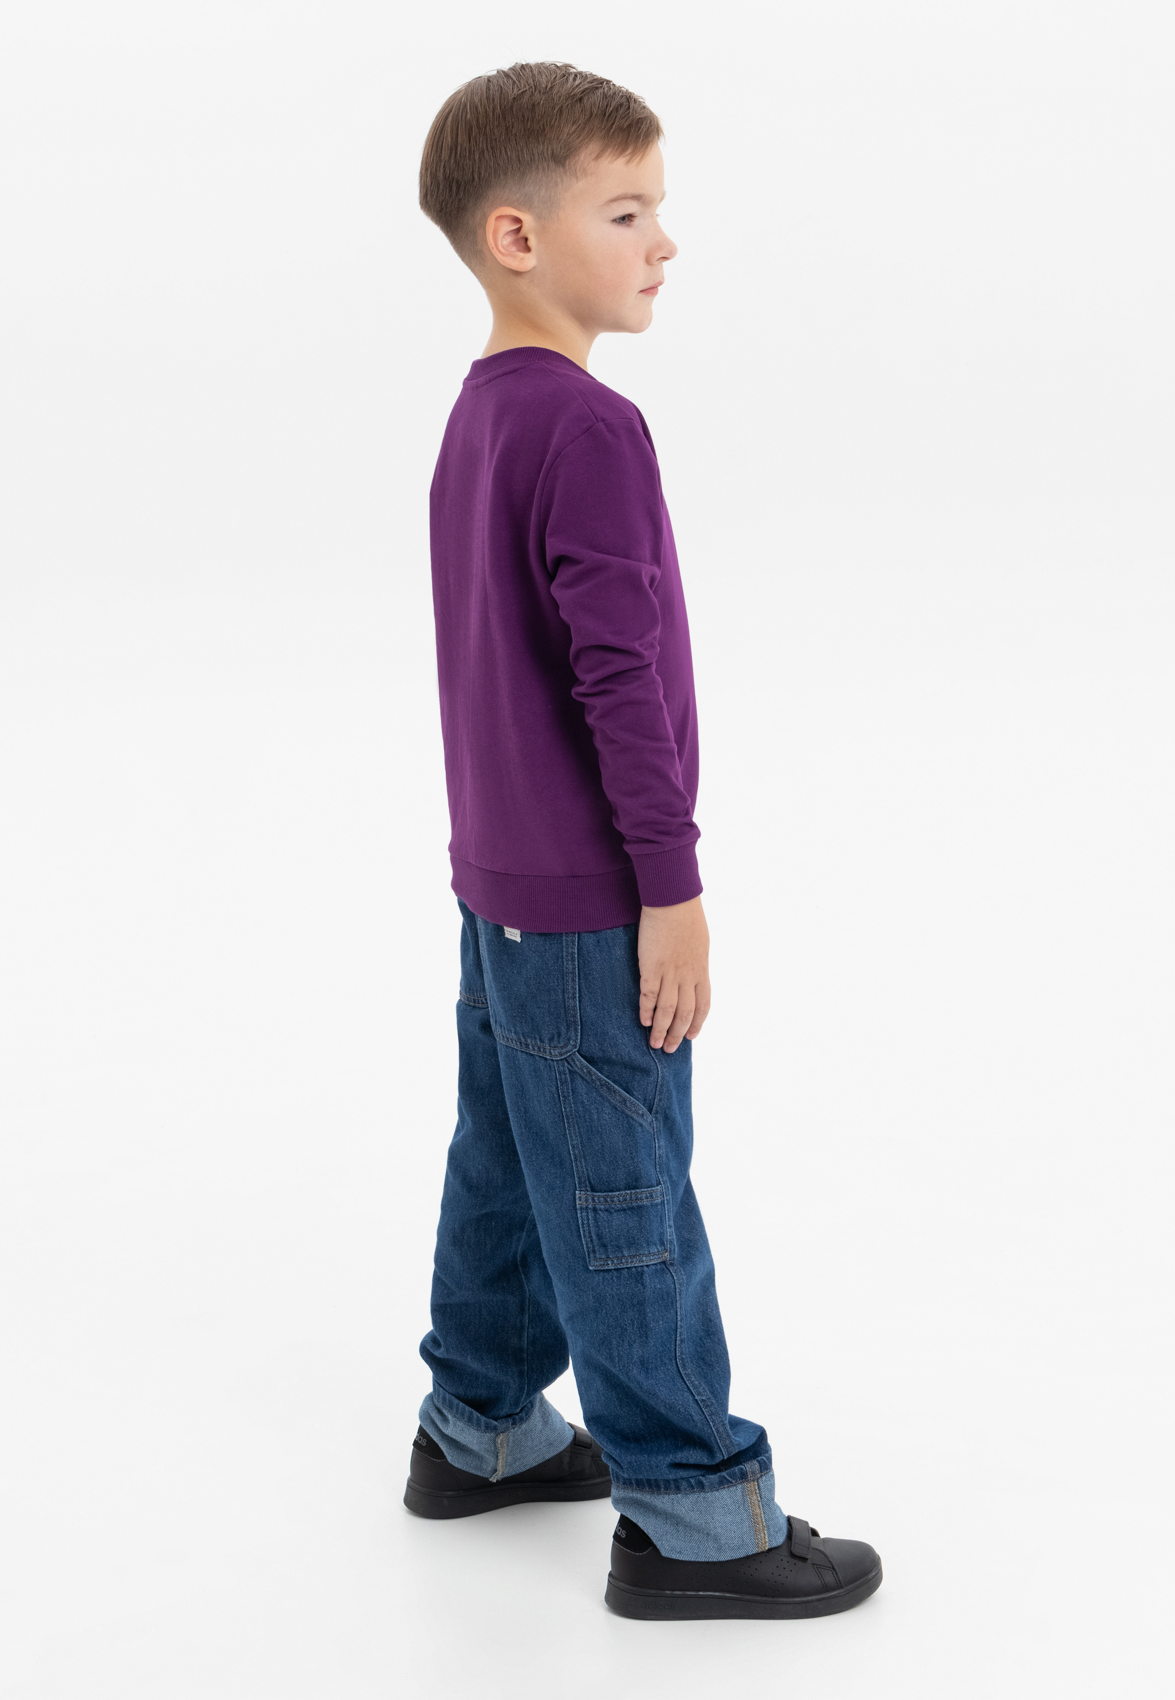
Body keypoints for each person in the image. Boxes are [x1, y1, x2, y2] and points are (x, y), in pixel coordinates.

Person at [404, 61, 881, 1621]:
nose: (664, 239)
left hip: (503, 890)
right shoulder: (588, 428)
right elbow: (613, 677)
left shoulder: (484, 414)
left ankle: (479, 1428)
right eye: (627, 211)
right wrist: (670, 889)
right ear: (517, 235)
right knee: (626, 1196)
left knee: (508, 1163)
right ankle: (692, 1509)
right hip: (591, 900)